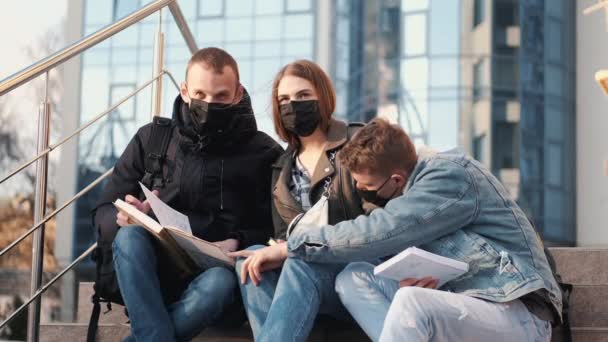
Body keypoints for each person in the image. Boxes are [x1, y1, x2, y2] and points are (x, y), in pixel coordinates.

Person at [243, 118, 562, 342]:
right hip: (466, 309)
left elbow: (378, 230)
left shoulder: (449, 176)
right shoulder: (410, 194)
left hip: (519, 316)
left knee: (411, 302)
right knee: (352, 278)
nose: (358, 190)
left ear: (396, 179)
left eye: (365, 185)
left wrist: (291, 245)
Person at [92, 47, 283, 342]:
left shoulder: (264, 152)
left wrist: (238, 240)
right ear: (184, 91)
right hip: (153, 274)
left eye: (220, 96)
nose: (209, 103)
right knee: (128, 237)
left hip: (218, 278)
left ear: (238, 93)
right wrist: (126, 217)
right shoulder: (152, 138)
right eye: (200, 94)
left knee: (220, 281)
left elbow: (275, 230)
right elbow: (103, 210)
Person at [229, 59, 370, 341]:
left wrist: (294, 249)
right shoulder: (280, 168)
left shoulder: (357, 139)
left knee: (299, 259)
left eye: (303, 95)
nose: (293, 105)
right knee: (251, 258)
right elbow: (283, 238)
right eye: (284, 99)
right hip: (303, 279)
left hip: (354, 273)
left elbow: (382, 222)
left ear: (323, 96)